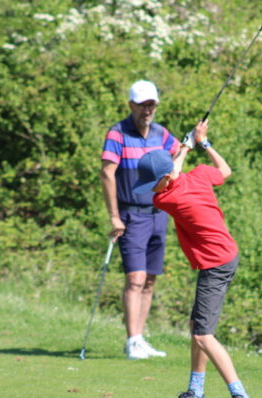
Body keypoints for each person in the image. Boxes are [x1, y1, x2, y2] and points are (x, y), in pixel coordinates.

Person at [132, 120, 258, 398]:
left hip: (217, 263)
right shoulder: (199, 175)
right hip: (222, 256)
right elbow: (224, 171)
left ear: (164, 179)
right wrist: (203, 143)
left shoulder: (166, 198)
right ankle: (195, 394)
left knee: (203, 335)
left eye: (153, 183)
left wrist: (186, 147)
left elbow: (173, 173)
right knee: (197, 329)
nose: (151, 190)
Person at [100, 80, 180, 360]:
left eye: (151, 105)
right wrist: (114, 216)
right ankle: (132, 341)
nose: (147, 110)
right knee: (135, 278)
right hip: (131, 215)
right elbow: (107, 173)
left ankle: (140, 338)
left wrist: (195, 139)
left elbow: (179, 153)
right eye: (142, 105)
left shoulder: (161, 133)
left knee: (149, 280)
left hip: (159, 213)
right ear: (131, 105)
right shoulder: (118, 133)